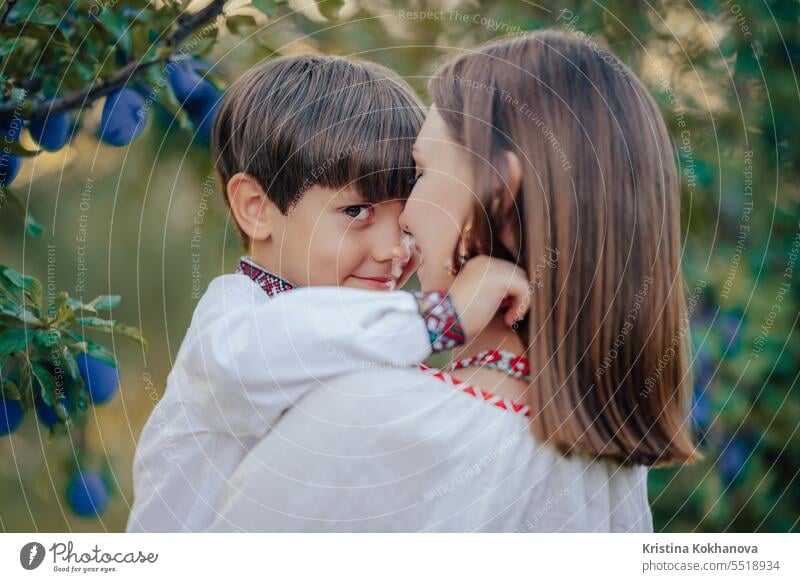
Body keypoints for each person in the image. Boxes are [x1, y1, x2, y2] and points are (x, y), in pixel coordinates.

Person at [208, 30, 701, 532]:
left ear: (500, 198)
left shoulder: (374, 424)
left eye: (419, 174)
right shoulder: (605, 462)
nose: (401, 225)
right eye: (358, 210)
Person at [127, 54, 530, 532]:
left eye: (403, 221)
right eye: (357, 212)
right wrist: (440, 317)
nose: (394, 250)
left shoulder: (368, 337)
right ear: (257, 208)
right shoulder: (237, 316)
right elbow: (247, 368)